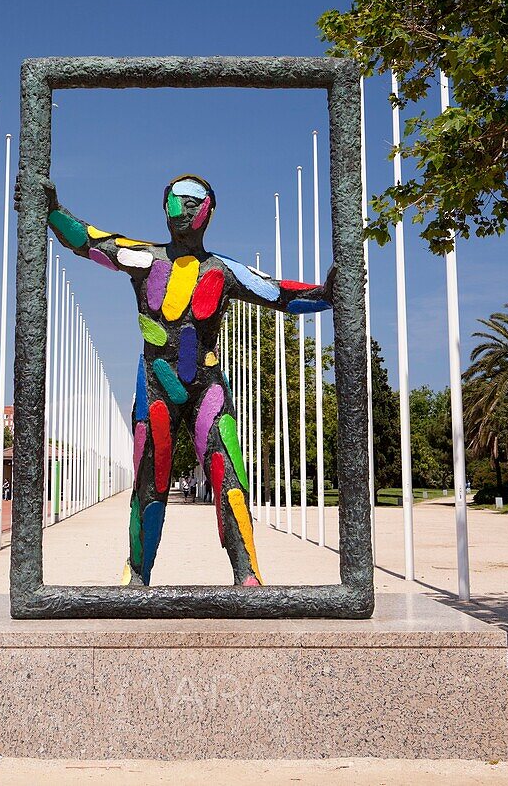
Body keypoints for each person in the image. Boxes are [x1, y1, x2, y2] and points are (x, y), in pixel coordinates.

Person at [35, 172, 334, 587]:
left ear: (210, 211)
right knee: (148, 480)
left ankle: (247, 573)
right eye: (179, 202)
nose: (186, 210)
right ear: (165, 208)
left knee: (228, 473)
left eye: (195, 202)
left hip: (205, 385)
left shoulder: (223, 272)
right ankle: (138, 571)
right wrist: (51, 209)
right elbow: (87, 240)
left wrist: (325, 294)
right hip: (155, 383)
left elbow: (276, 293)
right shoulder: (145, 259)